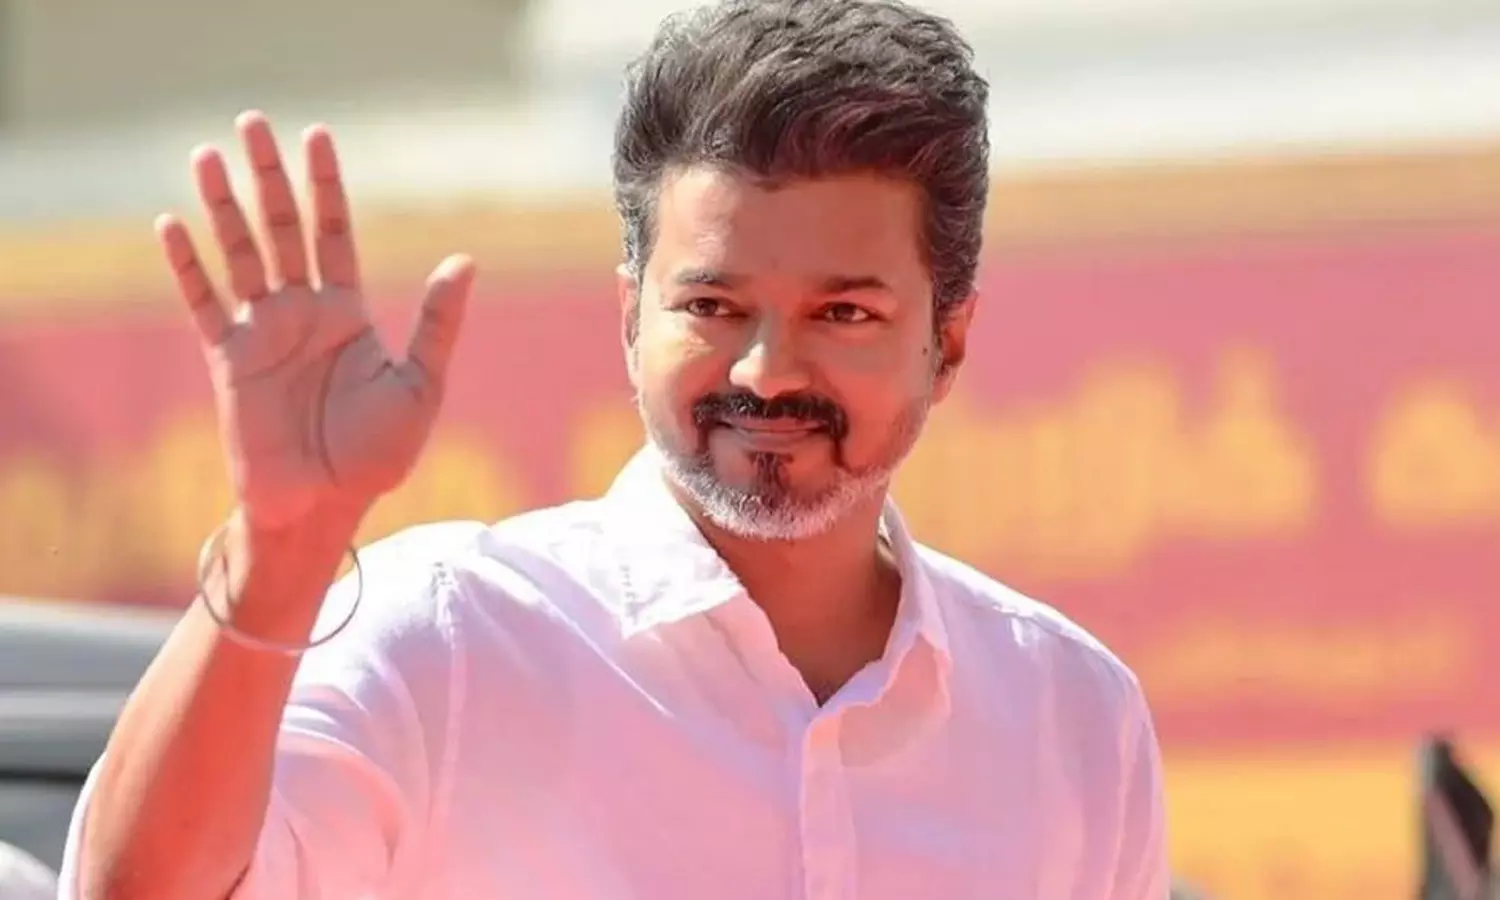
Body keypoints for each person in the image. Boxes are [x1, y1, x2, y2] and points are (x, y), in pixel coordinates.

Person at [61, 1, 1168, 897]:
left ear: (949, 341)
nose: (766, 370)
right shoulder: (450, 643)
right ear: (632, 316)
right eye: (714, 306)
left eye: (844, 313)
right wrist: (281, 547)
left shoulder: (1071, 719)